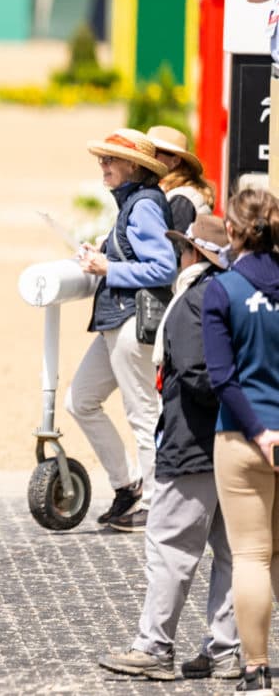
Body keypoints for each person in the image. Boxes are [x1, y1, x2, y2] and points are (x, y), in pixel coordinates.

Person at [98, 215, 240, 681]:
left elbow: (200, 376)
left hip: (194, 442)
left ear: (193, 255)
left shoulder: (193, 302)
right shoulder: (237, 297)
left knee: (169, 547)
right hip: (237, 446)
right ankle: (224, 651)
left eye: (182, 249)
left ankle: (154, 647)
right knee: (231, 553)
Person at [68, 129, 176, 532]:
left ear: (134, 167)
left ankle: (153, 504)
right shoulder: (134, 201)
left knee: (143, 413)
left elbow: (164, 267)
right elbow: (140, 257)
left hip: (132, 323)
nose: (103, 166)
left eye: (110, 160)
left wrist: (107, 267)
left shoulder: (143, 204)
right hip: (117, 321)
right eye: (102, 159)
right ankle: (128, 485)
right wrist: (103, 255)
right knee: (80, 400)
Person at [204, 189, 279, 693]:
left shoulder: (221, 290)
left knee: (251, 556)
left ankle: (255, 667)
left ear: (230, 232)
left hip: (243, 437)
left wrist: (260, 431)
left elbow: (221, 378)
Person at [146, 125, 214, 239]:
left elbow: (175, 250)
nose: (148, 157)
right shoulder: (173, 193)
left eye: (155, 153)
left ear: (175, 160)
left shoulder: (181, 200)